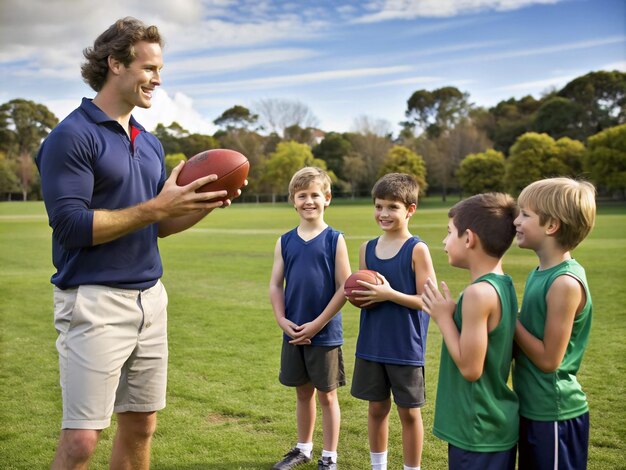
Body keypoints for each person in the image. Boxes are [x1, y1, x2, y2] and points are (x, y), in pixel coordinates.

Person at [36, 17, 243, 470]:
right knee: (81, 441)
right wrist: (155, 208)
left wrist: (202, 204)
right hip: (94, 302)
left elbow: (159, 227)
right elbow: (70, 227)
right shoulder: (71, 136)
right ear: (115, 64)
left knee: (141, 427)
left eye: (159, 68)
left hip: (151, 299)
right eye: (148, 68)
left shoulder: (149, 143)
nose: (158, 78)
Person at [421, 193, 520, 470]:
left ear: (469, 238)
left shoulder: (478, 293)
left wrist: (443, 318)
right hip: (488, 426)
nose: (444, 240)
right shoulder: (504, 283)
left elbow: (470, 368)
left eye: (449, 232)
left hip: (478, 427)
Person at [349, 173, 436, 470]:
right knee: (376, 408)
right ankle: (379, 467)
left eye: (392, 207)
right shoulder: (366, 249)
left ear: (410, 209)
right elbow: (361, 293)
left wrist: (389, 294)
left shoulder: (417, 249)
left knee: (409, 413)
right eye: (378, 206)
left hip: (405, 346)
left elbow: (428, 301)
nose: (383, 214)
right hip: (372, 343)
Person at [269, 167, 351, 470]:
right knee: (303, 393)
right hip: (293, 330)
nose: (308, 201)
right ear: (293, 200)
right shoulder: (285, 241)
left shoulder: (334, 239)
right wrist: (281, 319)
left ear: (327, 198)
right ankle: (303, 449)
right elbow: (276, 284)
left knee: (327, 397)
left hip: (324, 332)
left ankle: (329, 457)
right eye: (302, 195)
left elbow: (345, 286)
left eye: (315, 195)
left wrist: (317, 324)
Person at [512, 177, 596, 470]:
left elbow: (549, 359)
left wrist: (510, 318)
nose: (516, 221)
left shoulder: (564, 282)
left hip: (555, 413)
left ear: (551, 226)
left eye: (525, 214)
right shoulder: (541, 272)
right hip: (533, 408)